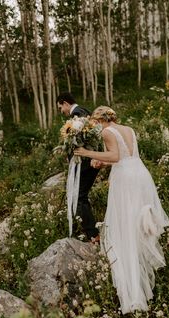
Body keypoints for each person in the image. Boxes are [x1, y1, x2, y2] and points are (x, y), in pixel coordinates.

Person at [74, 106, 169, 314]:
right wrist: (102, 161)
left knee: (124, 226)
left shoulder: (107, 131)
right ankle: (144, 269)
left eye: (95, 124)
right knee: (137, 222)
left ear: (100, 121)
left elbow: (116, 156)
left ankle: (134, 287)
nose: (96, 129)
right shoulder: (129, 129)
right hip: (140, 174)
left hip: (125, 180)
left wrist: (86, 152)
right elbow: (125, 155)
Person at [56, 92, 100, 243]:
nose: (61, 111)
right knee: (81, 196)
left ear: (65, 103)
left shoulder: (77, 114)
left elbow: (83, 137)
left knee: (79, 196)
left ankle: (93, 235)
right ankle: (92, 232)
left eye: (60, 107)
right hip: (89, 160)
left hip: (86, 162)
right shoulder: (84, 111)